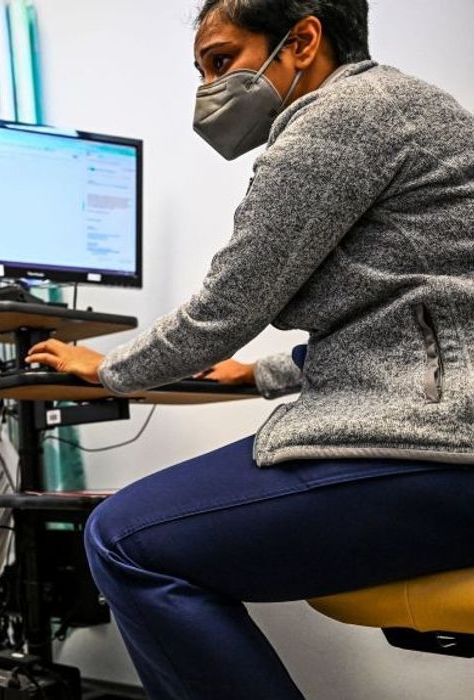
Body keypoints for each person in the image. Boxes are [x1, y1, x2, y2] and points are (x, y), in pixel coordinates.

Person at [25, 1, 474, 697]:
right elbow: (408, 310)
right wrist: (255, 375)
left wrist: (107, 369)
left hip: (437, 448)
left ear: (300, 41)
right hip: (446, 429)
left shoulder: (342, 116)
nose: (207, 88)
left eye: (220, 60)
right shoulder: (406, 105)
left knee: (121, 539)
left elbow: (226, 307)